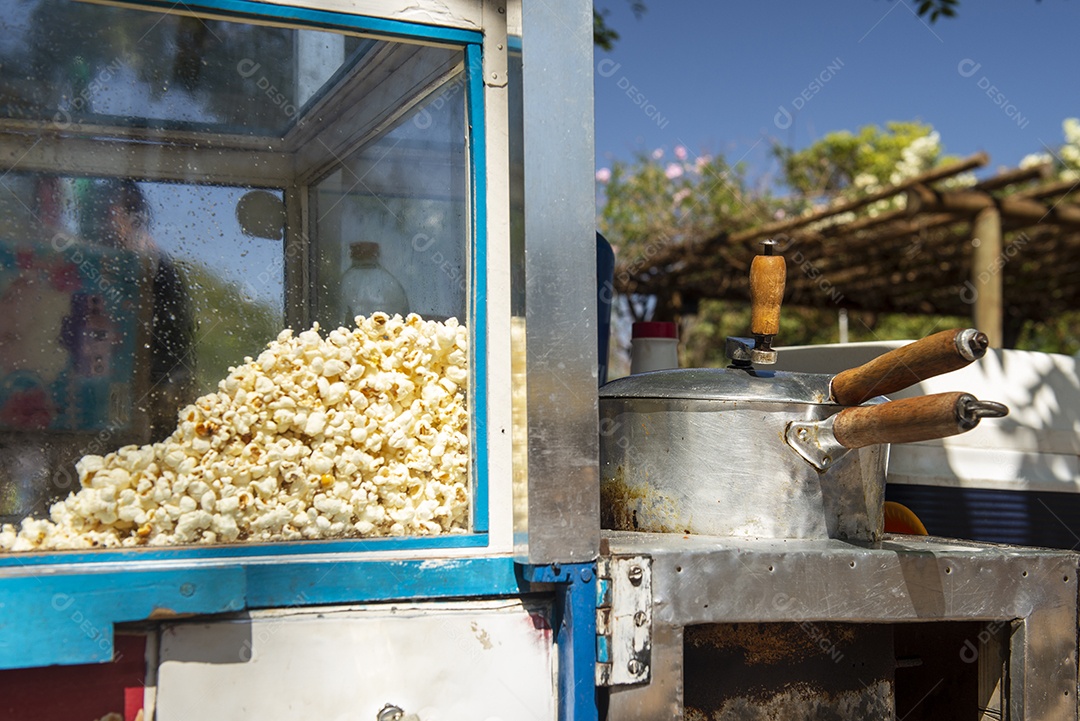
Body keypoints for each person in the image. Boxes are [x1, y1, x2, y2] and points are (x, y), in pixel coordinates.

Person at [100, 179, 195, 440]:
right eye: (109, 211)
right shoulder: (94, 265)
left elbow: (176, 343)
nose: (117, 218)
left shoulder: (157, 266)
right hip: (102, 394)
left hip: (156, 390)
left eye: (128, 210)